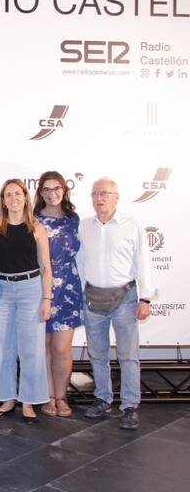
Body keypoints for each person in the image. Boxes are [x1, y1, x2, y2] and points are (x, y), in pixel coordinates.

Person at [79, 177, 155, 430]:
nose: (99, 198)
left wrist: (145, 298)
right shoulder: (84, 226)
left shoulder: (131, 224)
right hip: (93, 297)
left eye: (104, 193)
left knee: (128, 355)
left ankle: (130, 406)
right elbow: (80, 260)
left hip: (125, 298)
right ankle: (102, 399)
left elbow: (143, 262)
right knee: (97, 354)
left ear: (116, 197)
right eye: (95, 194)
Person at [0, 179, 52, 424]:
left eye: (17, 194)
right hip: (1, 290)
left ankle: (29, 401)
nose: (13, 199)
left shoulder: (37, 228)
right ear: (3, 200)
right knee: (3, 346)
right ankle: (7, 397)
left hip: (31, 289)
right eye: (8, 194)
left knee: (32, 348)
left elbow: (45, 266)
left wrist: (47, 298)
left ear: (25, 198)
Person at [33, 171, 83, 418]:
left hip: (68, 290)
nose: (52, 194)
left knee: (62, 349)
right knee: (43, 347)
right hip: (40, 289)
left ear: (64, 190)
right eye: (47, 189)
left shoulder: (74, 219)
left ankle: (62, 397)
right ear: (40, 193)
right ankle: (48, 396)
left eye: (57, 189)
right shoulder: (33, 220)